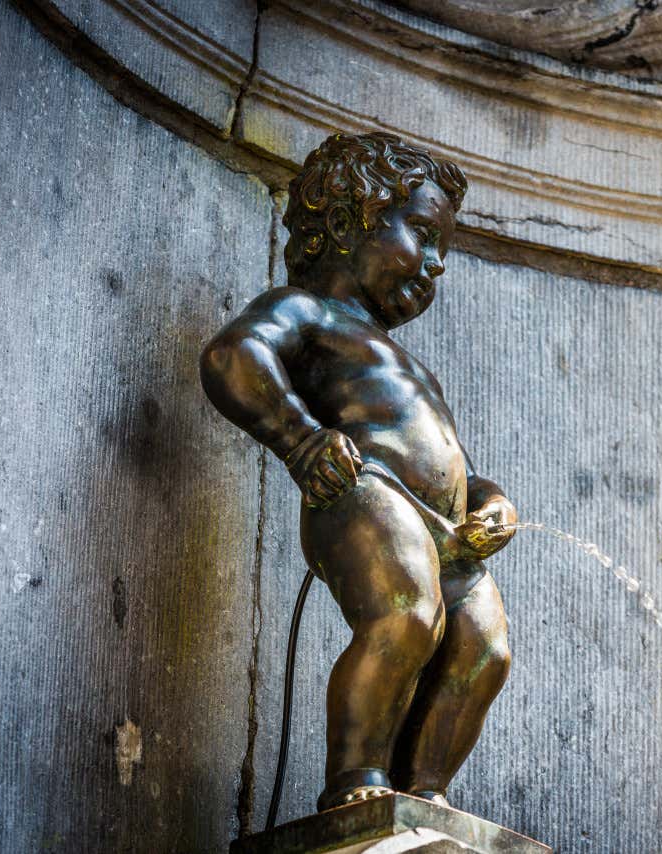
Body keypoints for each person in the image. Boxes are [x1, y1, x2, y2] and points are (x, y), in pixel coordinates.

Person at [200, 132, 516, 811]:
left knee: (483, 650)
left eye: (443, 251)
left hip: (445, 529)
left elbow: (458, 467)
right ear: (347, 223)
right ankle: (356, 782)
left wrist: (491, 506)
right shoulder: (306, 312)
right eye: (424, 237)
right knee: (405, 615)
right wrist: (301, 440)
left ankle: (424, 795)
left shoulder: (412, 367)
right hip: (360, 489)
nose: (435, 266)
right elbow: (235, 354)